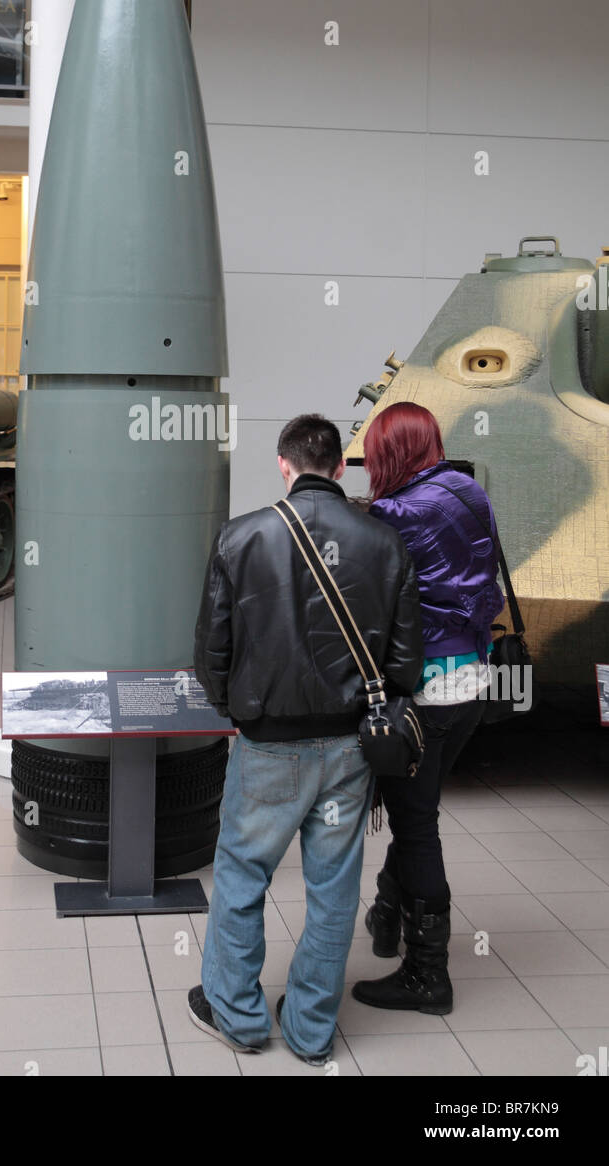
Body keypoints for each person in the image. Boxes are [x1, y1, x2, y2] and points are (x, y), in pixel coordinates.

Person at [188, 414, 424, 1065]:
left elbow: (211, 653)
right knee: (332, 887)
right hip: (350, 748)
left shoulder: (241, 538)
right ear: (339, 467)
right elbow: (405, 667)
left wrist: (237, 713)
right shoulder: (384, 543)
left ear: (282, 465)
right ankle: (311, 1028)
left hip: (267, 745)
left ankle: (237, 1016)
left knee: (241, 876)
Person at [351, 401, 505, 1015]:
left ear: (389, 455)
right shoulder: (468, 489)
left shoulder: (394, 514)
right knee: (422, 805)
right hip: (474, 677)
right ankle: (388, 915)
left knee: (417, 827)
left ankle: (427, 976)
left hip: (425, 691)